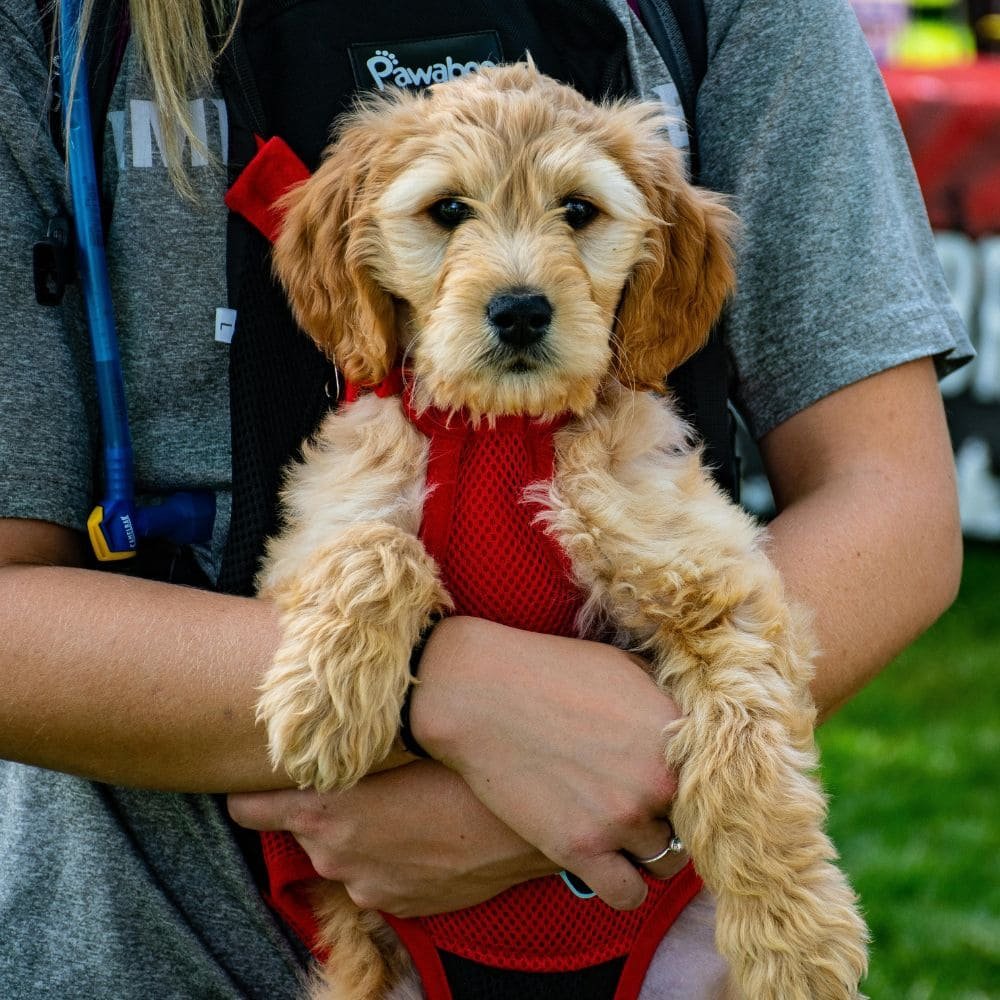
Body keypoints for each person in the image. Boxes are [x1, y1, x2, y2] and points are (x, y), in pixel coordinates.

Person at [0, 0, 971, 996]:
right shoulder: (51, 28)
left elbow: (888, 498)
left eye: (579, 215)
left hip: (669, 929)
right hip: (151, 949)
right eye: (446, 213)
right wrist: (441, 695)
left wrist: (614, 782)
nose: (517, 280)